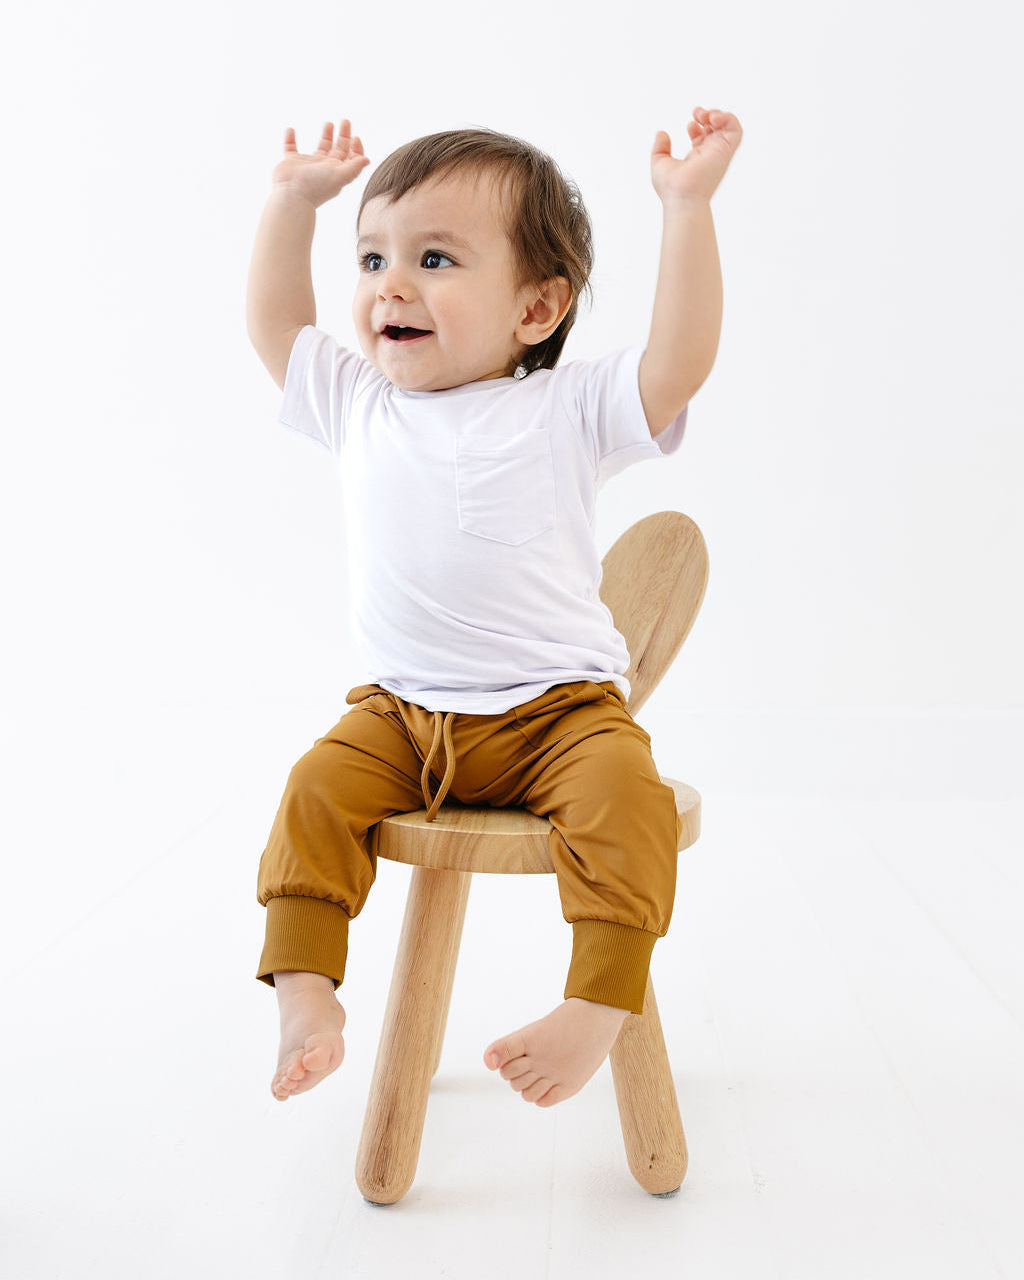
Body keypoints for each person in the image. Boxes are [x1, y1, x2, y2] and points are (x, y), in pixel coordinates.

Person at [246, 107, 742, 1108]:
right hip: (400, 714)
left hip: (558, 713)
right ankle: (306, 992)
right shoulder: (360, 402)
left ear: (535, 308)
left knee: (626, 801)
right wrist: (293, 203)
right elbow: (275, 325)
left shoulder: (565, 408)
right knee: (311, 790)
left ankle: (596, 1004)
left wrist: (686, 207)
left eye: (433, 258)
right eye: (374, 254)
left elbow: (679, 360)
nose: (389, 282)